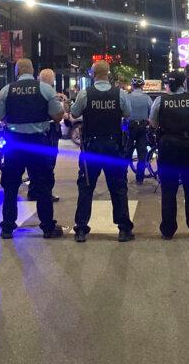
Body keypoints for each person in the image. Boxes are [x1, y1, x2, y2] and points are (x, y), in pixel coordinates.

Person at [0, 58, 65, 239]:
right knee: (43, 186)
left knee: (10, 186)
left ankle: (7, 227)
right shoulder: (45, 89)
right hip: (38, 143)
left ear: (17, 72)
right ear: (32, 71)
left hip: (14, 143)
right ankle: (47, 227)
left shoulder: (7, 90)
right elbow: (57, 115)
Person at [70, 60, 134, 243]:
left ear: (92, 74)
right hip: (113, 146)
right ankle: (123, 229)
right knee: (118, 187)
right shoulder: (119, 94)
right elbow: (127, 113)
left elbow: (74, 113)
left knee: (86, 187)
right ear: (108, 74)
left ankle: (81, 228)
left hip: (91, 147)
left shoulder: (85, 94)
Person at [150, 70, 189, 240]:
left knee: (168, 190)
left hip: (168, 149)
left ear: (169, 84)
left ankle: (168, 230)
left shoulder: (160, 101)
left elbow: (153, 122)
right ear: (183, 83)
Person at [37, 68, 64, 203]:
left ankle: (34, 190)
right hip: (50, 132)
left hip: (35, 133)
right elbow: (58, 115)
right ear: (52, 80)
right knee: (49, 164)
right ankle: (46, 193)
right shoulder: (50, 93)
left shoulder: (36, 92)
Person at [126, 77, 154, 184]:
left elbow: (124, 112)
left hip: (130, 126)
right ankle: (140, 177)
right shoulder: (146, 98)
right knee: (142, 152)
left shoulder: (127, 97)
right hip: (142, 126)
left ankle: (122, 176)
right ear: (142, 86)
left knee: (127, 151)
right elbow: (152, 113)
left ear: (132, 86)